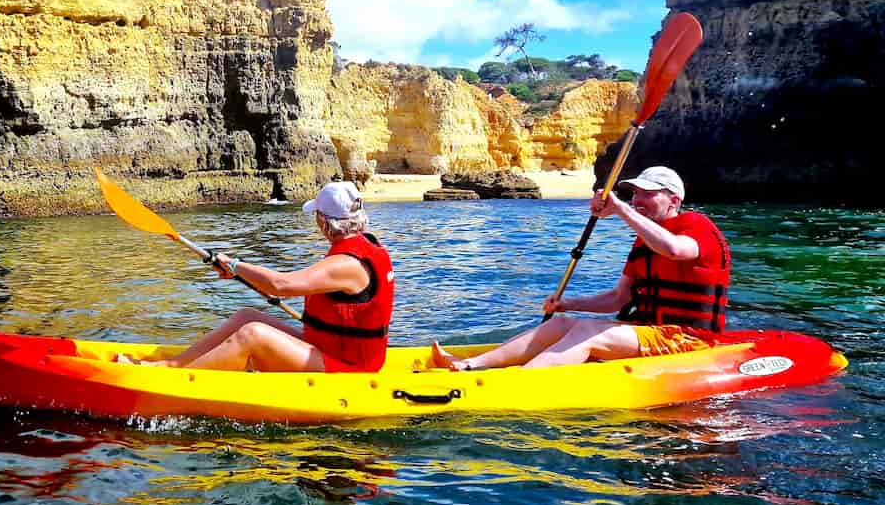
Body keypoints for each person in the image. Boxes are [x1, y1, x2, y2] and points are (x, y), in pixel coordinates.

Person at [431, 166, 730, 370]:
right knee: (560, 324)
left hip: (688, 338)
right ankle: (471, 364)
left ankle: (517, 381)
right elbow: (618, 299)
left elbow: (676, 250)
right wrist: (567, 304)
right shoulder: (643, 242)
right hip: (648, 331)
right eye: (634, 194)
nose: (637, 200)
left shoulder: (697, 226)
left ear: (673, 200)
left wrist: (621, 209)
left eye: (648, 194)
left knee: (589, 331)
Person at [118, 181, 395, 372]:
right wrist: (238, 271)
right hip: (329, 346)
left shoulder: (347, 263)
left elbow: (281, 285)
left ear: (323, 221)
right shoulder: (367, 246)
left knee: (253, 334)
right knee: (246, 317)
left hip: (348, 366)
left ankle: (174, 381)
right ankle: (173, 366)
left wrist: (235, 264)